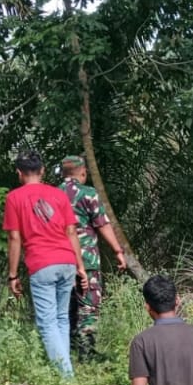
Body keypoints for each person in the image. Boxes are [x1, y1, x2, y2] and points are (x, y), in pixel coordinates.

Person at [3, 152, 87, 376]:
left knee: (47, 323)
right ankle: (65, 371)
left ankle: (66, 379)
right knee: (61, 318)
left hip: (42, 264)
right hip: (67, 261)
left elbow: (14, 238)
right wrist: (80, 266)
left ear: (19, 173)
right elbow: (71, 232)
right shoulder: (59, 195)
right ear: (42, 171)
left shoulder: (14, 198)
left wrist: (13, 274)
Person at [59, 155, 127, 362]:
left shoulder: (53, 194)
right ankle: (86, 353)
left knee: (66, 306)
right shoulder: (88, 193)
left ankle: (67, 351)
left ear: (63, 173)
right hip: (86, 259)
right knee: (88, 305)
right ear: (83, 173)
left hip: (59, 258)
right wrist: (117, 251)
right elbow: (102, 224)